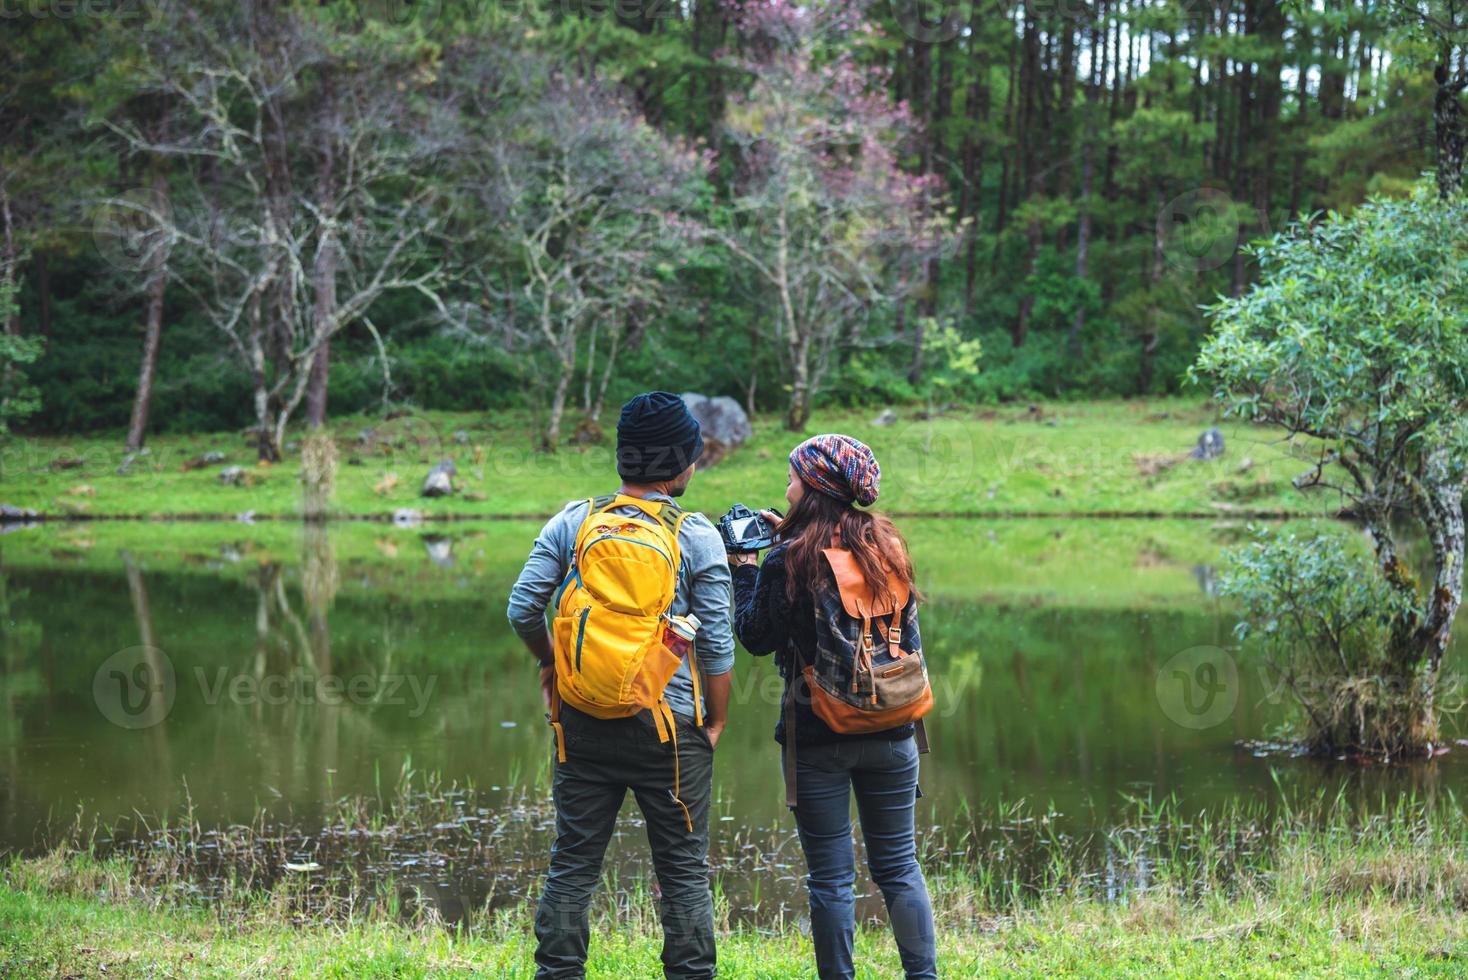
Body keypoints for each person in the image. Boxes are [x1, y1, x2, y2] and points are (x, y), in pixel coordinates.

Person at [507, 391, 735, 980]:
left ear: (622, 459)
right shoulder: (697, 535)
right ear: (683, 463)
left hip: (582, 722)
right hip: (670, 731)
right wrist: (715, 722)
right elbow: (715, 645)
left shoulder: (575, 520)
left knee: (573, 864)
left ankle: (557, 973)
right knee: (683, 869)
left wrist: (555, 665)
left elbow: (522, 608)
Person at [731, 434, 937, 980]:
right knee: (899, 869)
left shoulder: (788, 561)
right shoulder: (886, 544)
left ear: (814, 487)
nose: (787, 486)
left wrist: (745, 567)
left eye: (792, 478)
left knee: (831, 880)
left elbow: (754, 635)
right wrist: (783, 538)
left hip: (820, 737)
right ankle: (924, 975)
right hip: (895, 728)